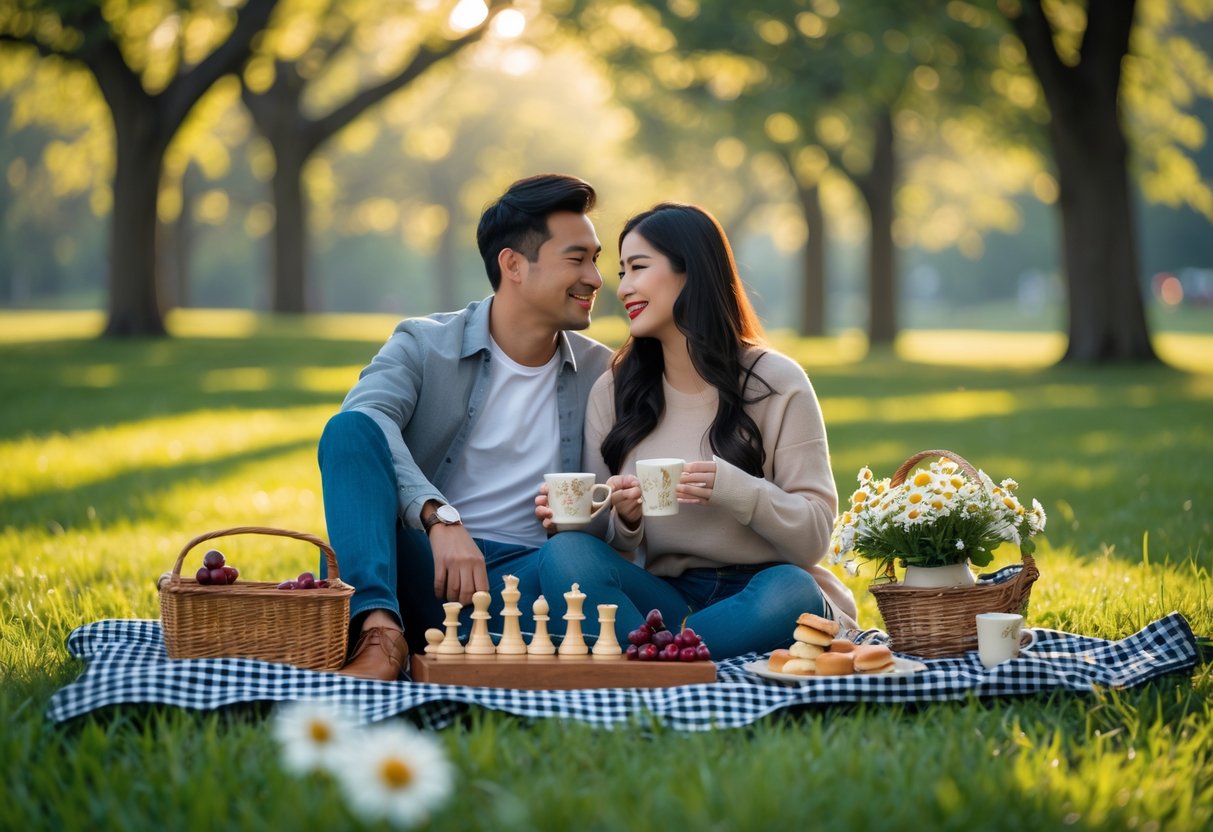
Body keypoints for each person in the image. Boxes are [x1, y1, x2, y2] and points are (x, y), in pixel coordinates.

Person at [319, 174, 612, 681]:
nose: (595, 277)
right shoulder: (423, 344)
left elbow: (613, 518)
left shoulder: (603, 374)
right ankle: (381, 634)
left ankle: (467, 645)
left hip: (533, 582)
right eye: (576, 258)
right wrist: (440, 517)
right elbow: (365, 421)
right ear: (513, 264)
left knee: (575, 567)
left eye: (596, 258)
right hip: (421, 567)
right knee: (349, 430)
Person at [534, 202, 857, 659]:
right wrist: (624, 521)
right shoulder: (614, 390)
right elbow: (601, 545)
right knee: (566, 553)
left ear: (692, 272)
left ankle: (649, 660)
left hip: (762, 590)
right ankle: (674, 657)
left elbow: (814, 536)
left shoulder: (776, 382)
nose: (623, 287)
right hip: (664, 599)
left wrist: (737, 490)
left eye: (638, 268)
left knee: (793, 591)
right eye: (621, 271)